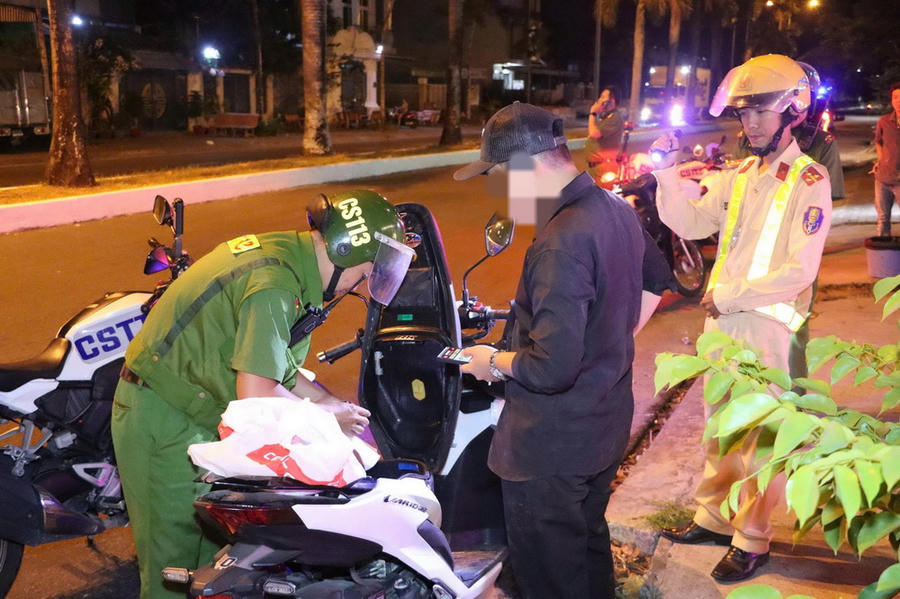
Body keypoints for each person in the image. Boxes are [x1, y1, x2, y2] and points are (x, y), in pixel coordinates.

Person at [111, 190, 413, 599]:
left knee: (220, 568)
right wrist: (324, 418)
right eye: (363, 272)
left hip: (201, 413)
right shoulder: (274, 284)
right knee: (174, 570)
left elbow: (274, 366)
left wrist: (328, 403)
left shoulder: (290, 261)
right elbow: (256, 391)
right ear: (344, 252)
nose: (359, 283)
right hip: (161, 418)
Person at [453, 101, 674, 598]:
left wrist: (492, 362)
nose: (496, 192)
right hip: (602, 426)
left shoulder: (561, 240)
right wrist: (610, 338)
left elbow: (551, 368)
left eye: (498, 177)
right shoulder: (613, 207)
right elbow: (657, 277)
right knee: (587, 550)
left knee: (550, 579)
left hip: (549, 446)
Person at [650, 54, 832, 582]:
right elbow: (689, 222)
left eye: (759, 112)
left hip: (766, 328)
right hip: (724, 325)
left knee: (761, 437)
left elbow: (800, 269)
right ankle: (714, 516)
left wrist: (728, 296)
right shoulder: (742, 174)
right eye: (743, 113)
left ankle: (752, 538)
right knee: (720, 427)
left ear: (792, 112)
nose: (749, 124)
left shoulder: (809, 179)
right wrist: (666, 170)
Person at [734, 61, 844, 382]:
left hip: (793, 253)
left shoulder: (821, 143)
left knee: (793, 333)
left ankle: (793, 401)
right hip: (749, 253)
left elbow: (821, 204)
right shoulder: (752, 136)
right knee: (744, 334)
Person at [873, 82, 900, 237]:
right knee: (883, 218)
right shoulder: (884, 121)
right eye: (895, 97)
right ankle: (883, 249)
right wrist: (881, 160)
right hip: (883, 179)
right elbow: (878, 142)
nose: (898, 101)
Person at [585, 85, 625, 185]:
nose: (599, 100)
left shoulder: (615, 118)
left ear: (612, 100)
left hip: (604, 169)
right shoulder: (606, 117)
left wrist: (593, 113)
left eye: (603, 97)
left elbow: (594, 133)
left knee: (600, 194)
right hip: (597, 168)